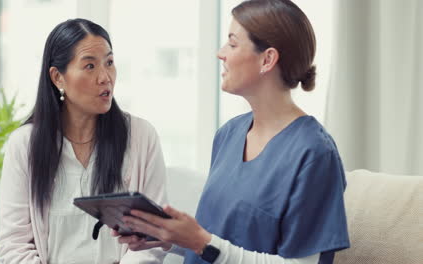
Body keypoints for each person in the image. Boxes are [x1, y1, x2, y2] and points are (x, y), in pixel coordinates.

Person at [115, 0, 350, 263]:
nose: (220, 53)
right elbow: (218, 245)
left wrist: (201, 241)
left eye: (233, 43)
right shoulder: (229, 134)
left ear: (268, 59)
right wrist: (172, 239)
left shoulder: (315, 153)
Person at [0, 18, 168, 264]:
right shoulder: (24, 145)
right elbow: (13, 244)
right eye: (90, 66)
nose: (105, 77)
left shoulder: (141, 136)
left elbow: (154, 237)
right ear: (58, 78)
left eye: (109, 63)